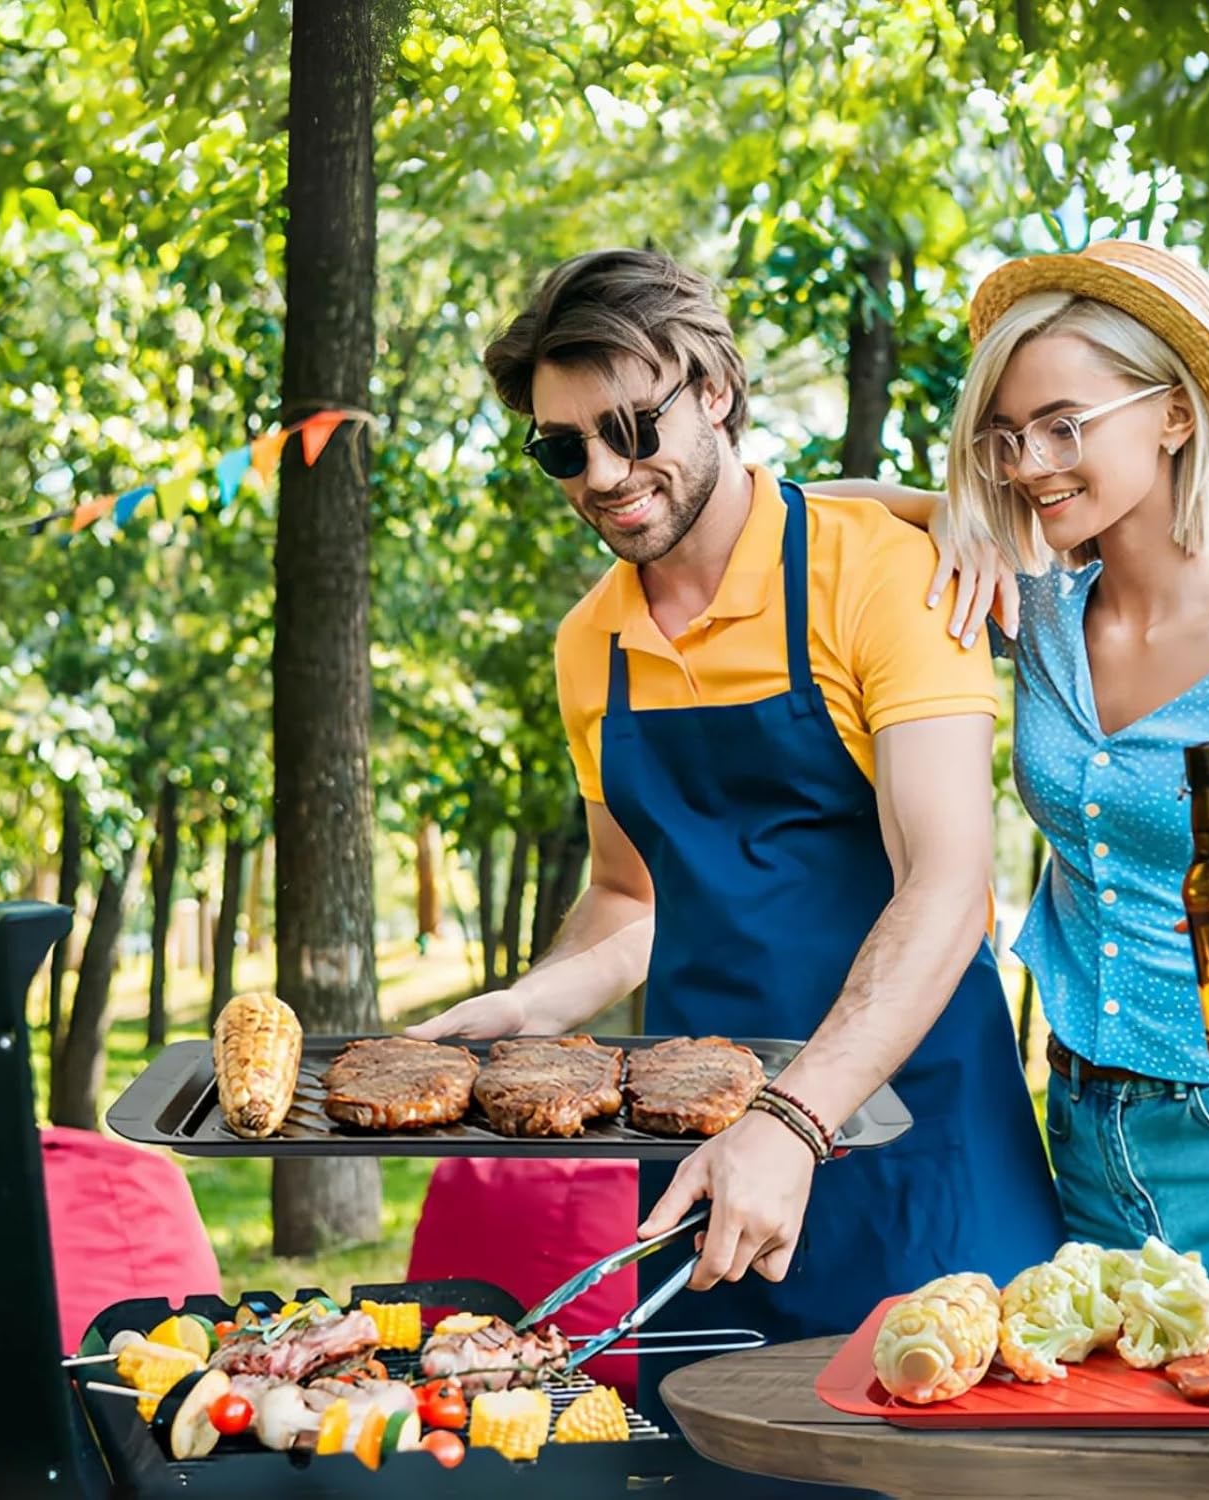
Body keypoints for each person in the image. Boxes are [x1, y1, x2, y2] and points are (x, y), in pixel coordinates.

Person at [409, 248, 1066, 1424]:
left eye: (631, 426)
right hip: (701, 1175)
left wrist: (793, 1119)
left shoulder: (883, 575)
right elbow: (631, 898)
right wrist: (535, 1004)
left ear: (714, 389)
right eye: (565, 449)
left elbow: (946, 884)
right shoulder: (588, 645)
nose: (604, 474)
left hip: (918, 1155)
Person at [812, 238, 1209, 1290]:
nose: (1029, 464)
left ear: (1174, 414)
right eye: (1007, 438)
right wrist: (947, 515)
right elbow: (810, 510)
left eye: (1064, 426)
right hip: (1090, 1140)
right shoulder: (1036, 614)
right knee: (1132, 1456)